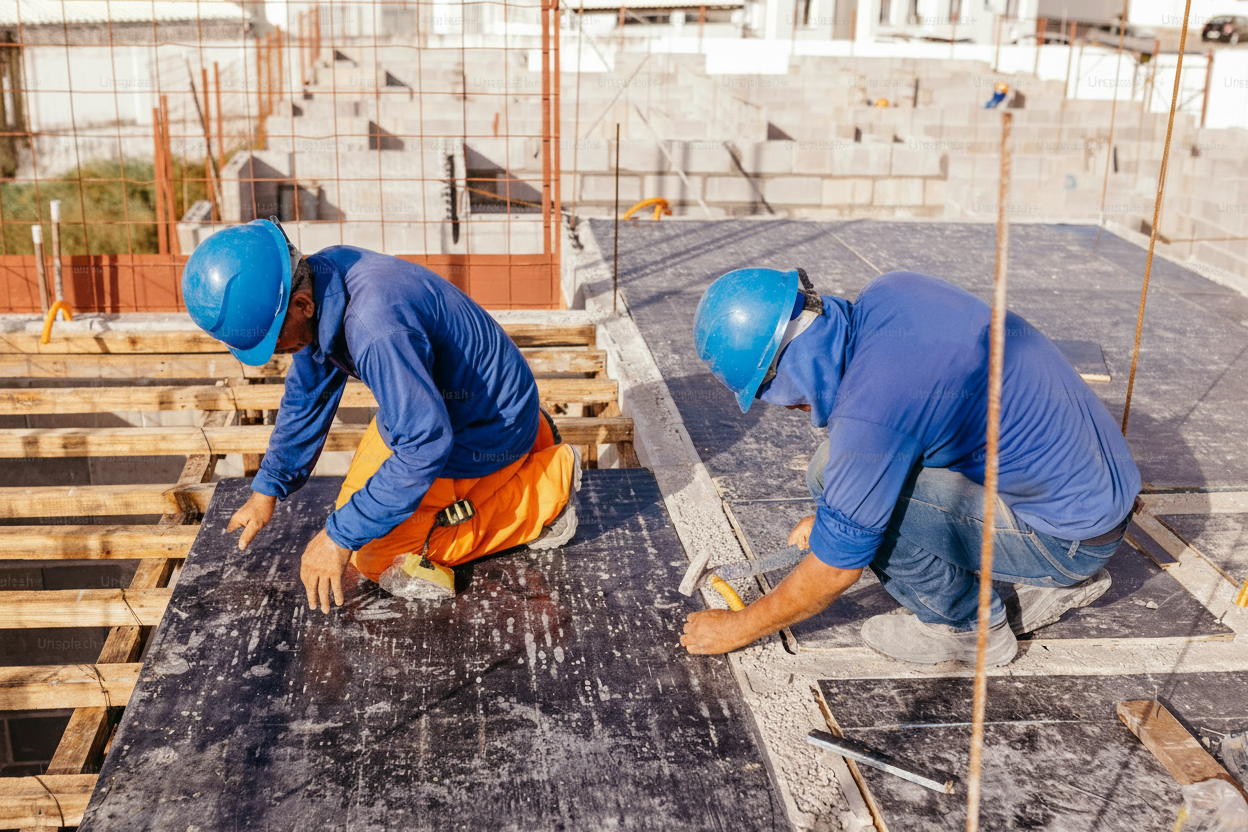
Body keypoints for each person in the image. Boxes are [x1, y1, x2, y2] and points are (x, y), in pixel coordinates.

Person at [680, 267, 1140, 666]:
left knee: (832, 477)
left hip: (1069, 537)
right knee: (847, 488)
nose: (786, 408)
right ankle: (1042, 580)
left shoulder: (873, 412)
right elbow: (918, 418)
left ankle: (965, 630)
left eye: (771, 392)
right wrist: (840, 509)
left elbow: (836, 570)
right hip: (1097, 497)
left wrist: (739, 626)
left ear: (787, 368)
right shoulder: (891, 292)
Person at [181, 219, 581, 612]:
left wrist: (338, 540)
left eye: (275, 341)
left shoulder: (375, 328)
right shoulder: (326, 277)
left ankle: (548, 487)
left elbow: (423, 448)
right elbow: (308, 394)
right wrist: (268, 488)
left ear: (301, 304)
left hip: (483, 430)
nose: (276, 352)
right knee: (355, 514)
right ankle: (534, 438)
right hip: (440, 409)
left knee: (378, 557)